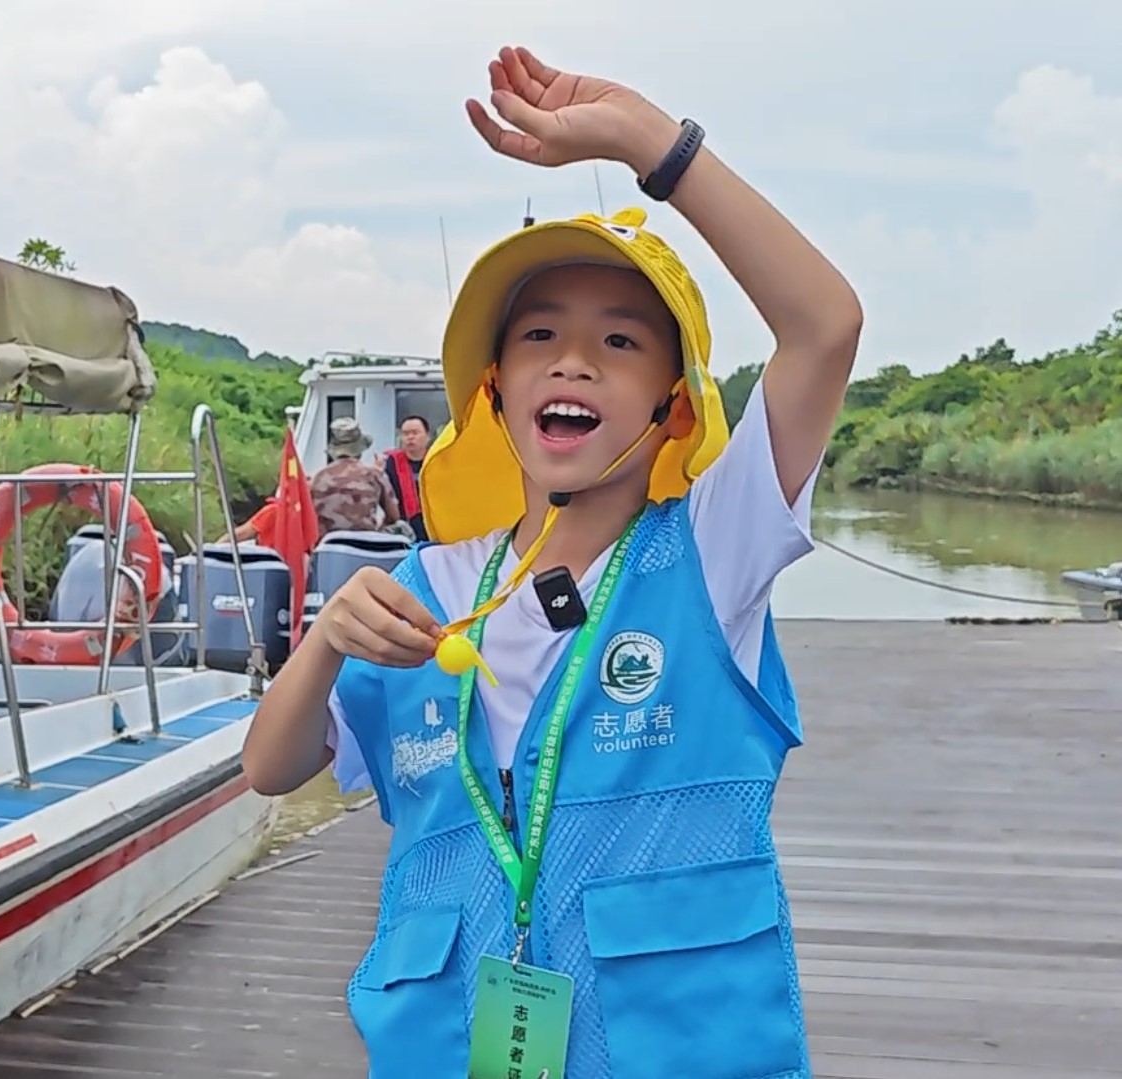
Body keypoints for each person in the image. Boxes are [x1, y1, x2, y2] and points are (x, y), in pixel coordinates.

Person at [240, 46, 861, 1079]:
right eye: (537, 334)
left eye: (619, 341)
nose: (572, 358)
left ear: (673, 403)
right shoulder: (430, 591)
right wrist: (323, 636)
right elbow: (270, 766)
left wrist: (643, 143)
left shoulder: (712, 551)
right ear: (493, 387)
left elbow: (823, 324)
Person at [312, 417, 400, 535]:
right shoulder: (374, 475)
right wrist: (378, 531)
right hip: (364, 544)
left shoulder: (318, 478)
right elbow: (393, 516)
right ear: (360, 449)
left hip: (327, 545)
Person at [382, 415, 433, 543]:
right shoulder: (391, 462)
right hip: (403, 529)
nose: (410, 437)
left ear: (428, 436)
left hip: (433, 524)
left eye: (415, 433)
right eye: (405, 434)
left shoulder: (436, 460)